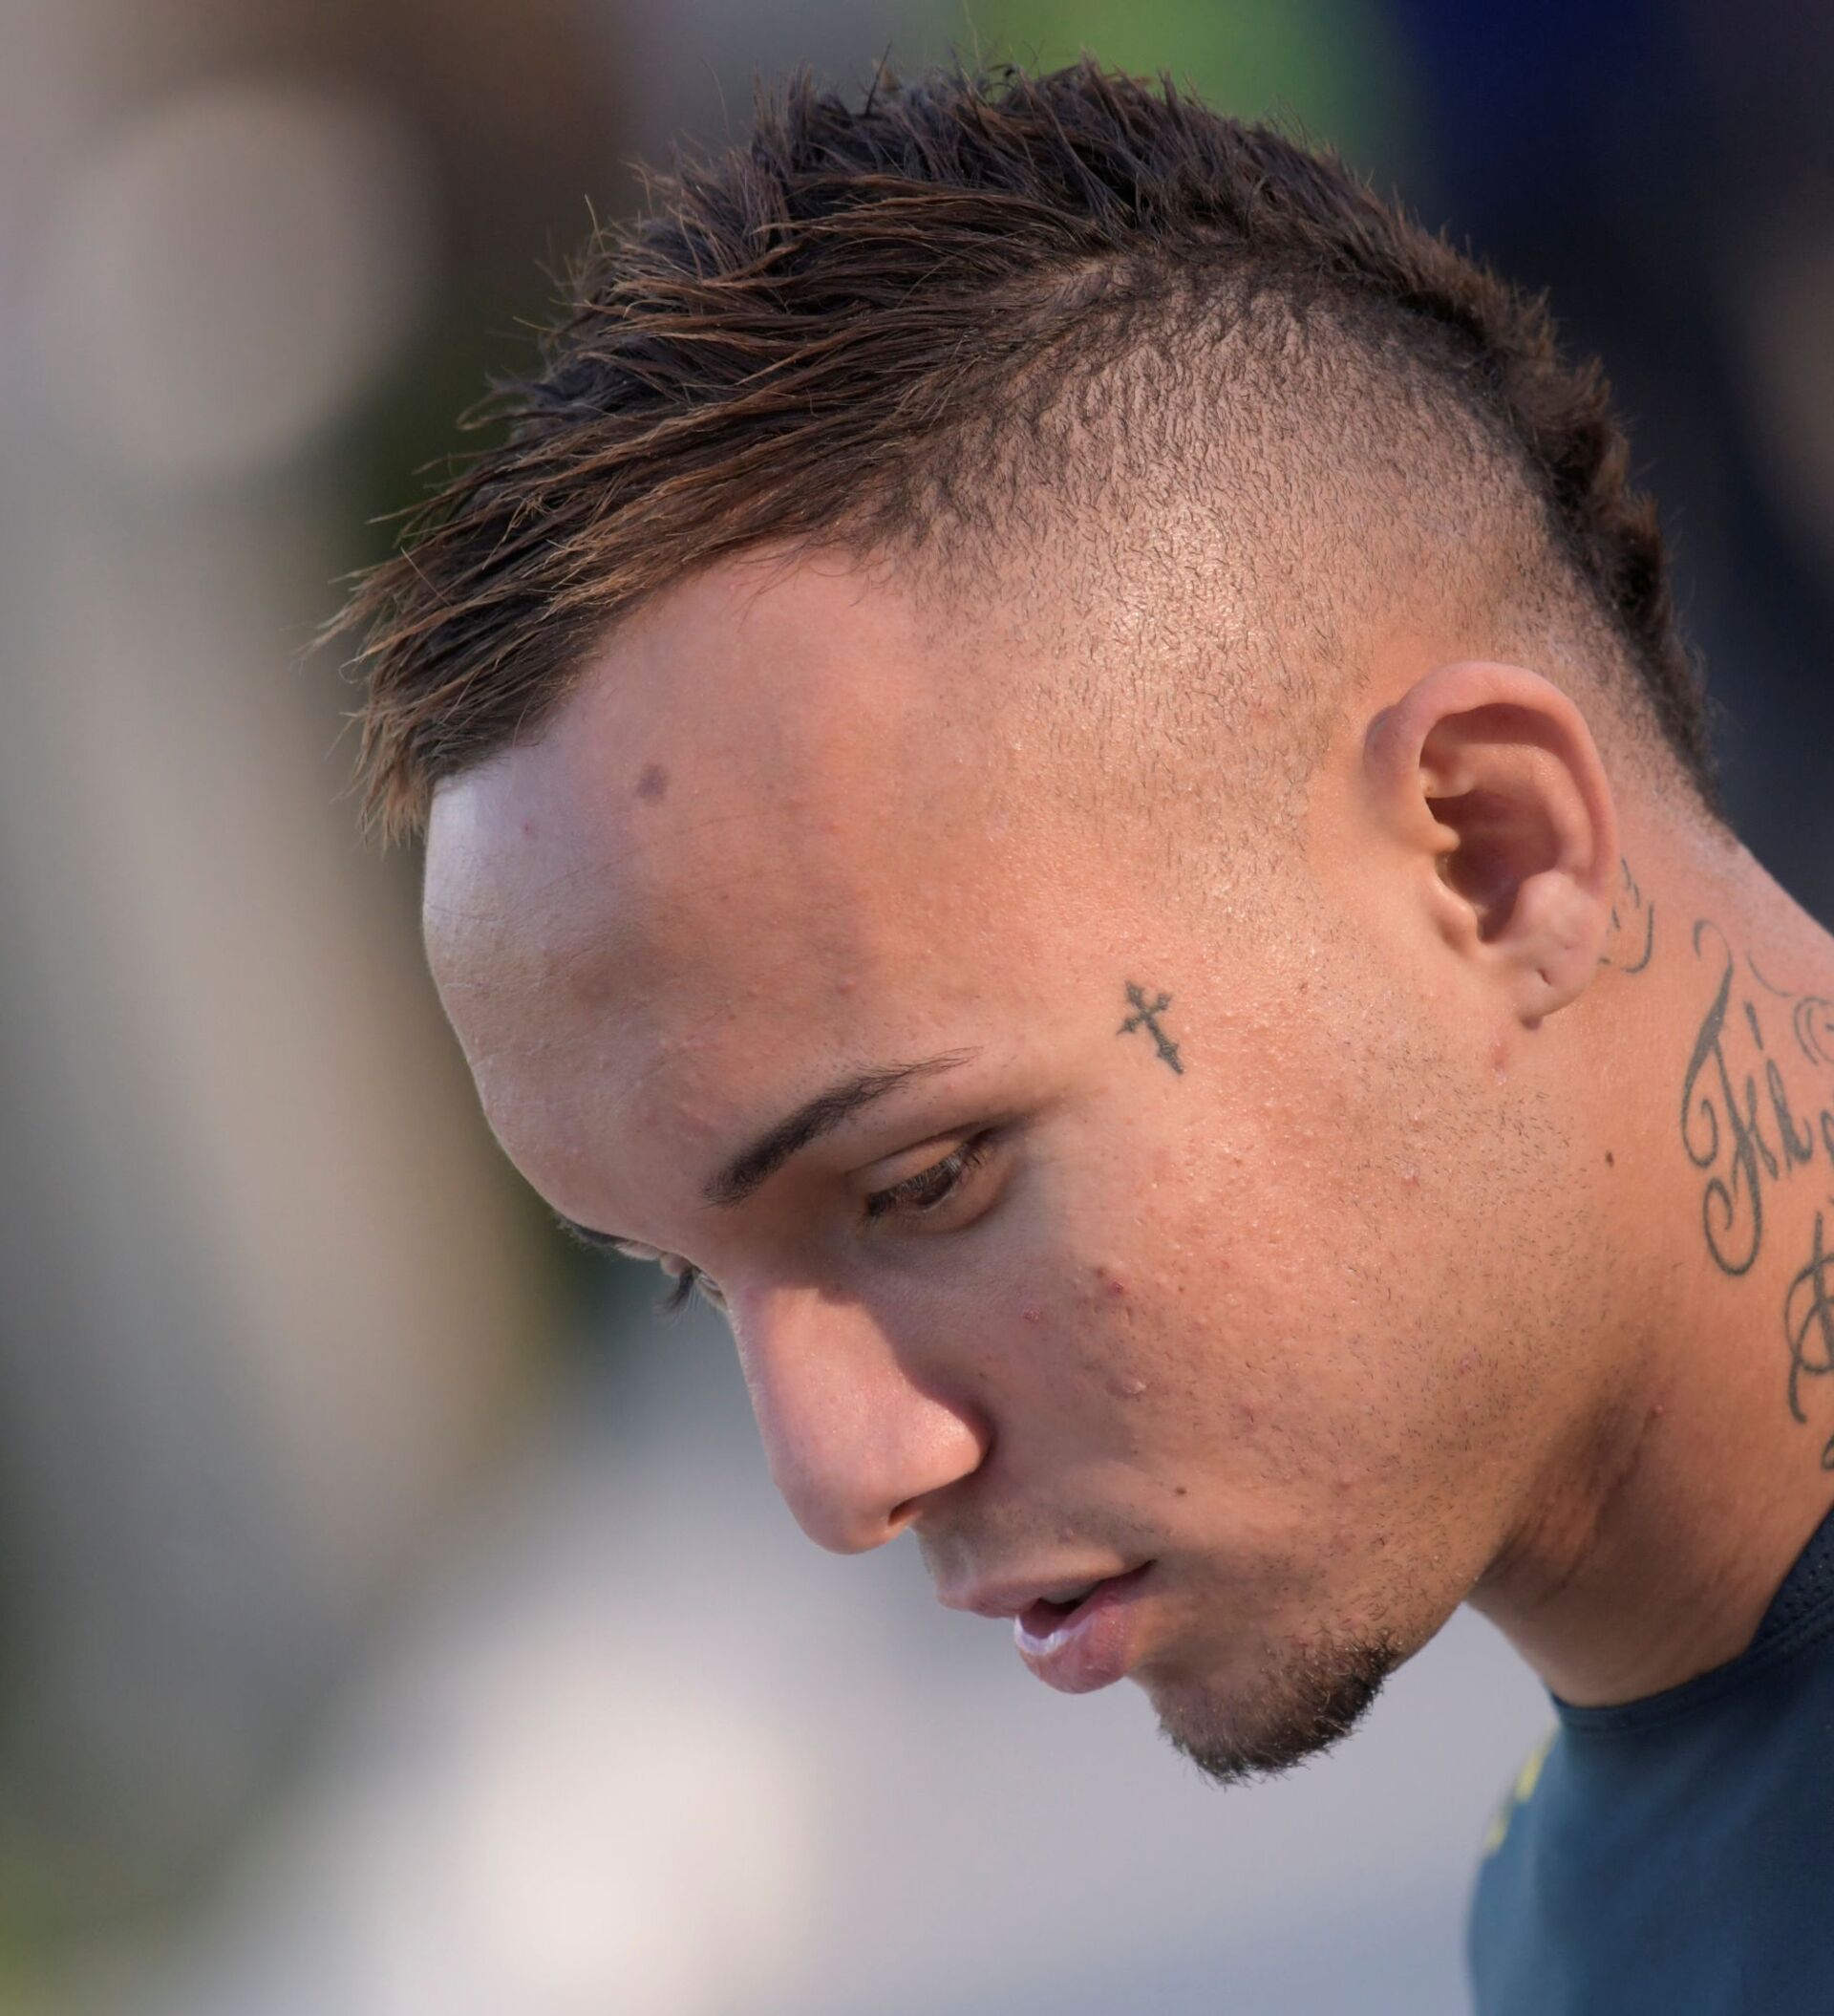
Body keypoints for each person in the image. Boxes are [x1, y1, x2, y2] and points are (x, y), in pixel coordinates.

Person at [337, 61, 1834, 2013]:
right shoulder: (1588, 1902)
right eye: (693, 1278)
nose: (839, 1475)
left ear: (1493, 851)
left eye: (924, 1178)